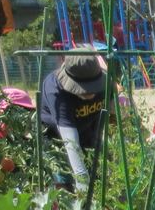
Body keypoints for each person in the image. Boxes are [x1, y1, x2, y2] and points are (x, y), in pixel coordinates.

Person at [38, 51, 107, 190]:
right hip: (56, 139)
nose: (90, 92)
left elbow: (116, 117)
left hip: (88, 131)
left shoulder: (106, 82)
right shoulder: (55, 89)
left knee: (100, 178)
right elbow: (70, 140)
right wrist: (82, 179)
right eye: (84, 88)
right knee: (65, 185)